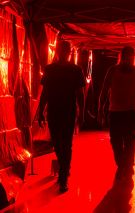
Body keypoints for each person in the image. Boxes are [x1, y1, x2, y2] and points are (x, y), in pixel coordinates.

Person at [38, 40, 85, 193]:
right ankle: (65, 167)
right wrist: (40, 110)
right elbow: (45, 92)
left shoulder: (74, 70)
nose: (64, 53)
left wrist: (81, 112)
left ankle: (63, 177)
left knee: (65, 143)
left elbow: (80, 94)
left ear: (68, 52)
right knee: (59, 143)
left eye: (66, 51)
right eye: (62, 51)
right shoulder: (51, 69)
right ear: (59, 52)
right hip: (56, 111)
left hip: (66, 111)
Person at [98, 46, 135, 179]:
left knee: (129, 141)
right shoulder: (113, 70)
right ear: (122, 56)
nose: (129, 58)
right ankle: (122, 164)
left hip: (131, 111)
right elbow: (104, 90)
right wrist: (100, 109)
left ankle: (126, 165)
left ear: (133, 57)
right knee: (116, 141)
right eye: (127, 55)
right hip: (115, 111)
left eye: (131, 55)